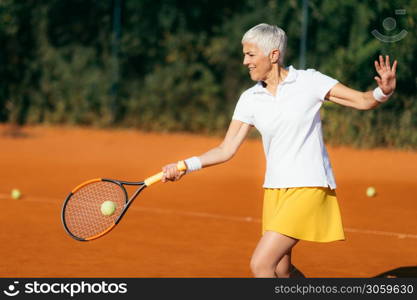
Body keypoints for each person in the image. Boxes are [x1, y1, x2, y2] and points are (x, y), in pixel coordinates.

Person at [160, 23, 397, 278]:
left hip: (309, 185)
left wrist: (382, 92)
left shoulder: (309, 81)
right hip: (275, 190)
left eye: (250, 55)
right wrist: (185, 165)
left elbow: (362, 100)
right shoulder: (249, 98)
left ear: (273, 55)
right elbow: (225, 149)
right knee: (283, 272)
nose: (244, 62)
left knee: (262, 265)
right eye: (244, 54)